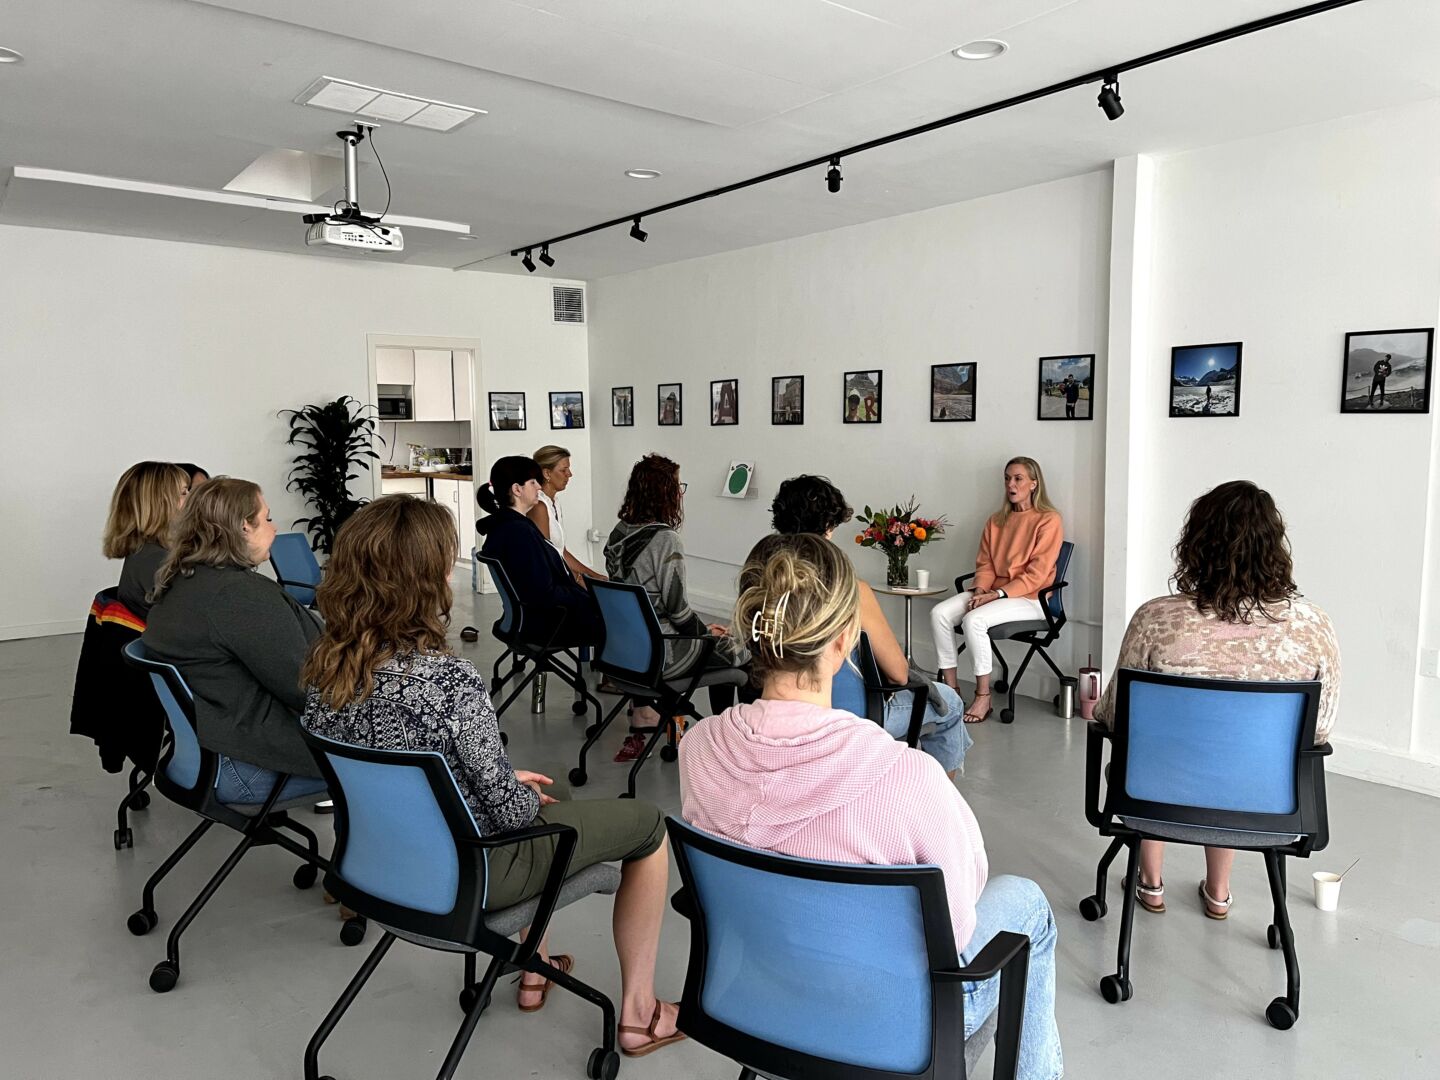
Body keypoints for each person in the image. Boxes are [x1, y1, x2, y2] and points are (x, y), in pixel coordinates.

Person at [301, 497, 683, 1054]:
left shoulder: (324, 673)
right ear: (423, 582)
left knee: (546, 781)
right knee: (648, 824)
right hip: (471, 871)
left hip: (381, 865)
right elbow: (510, 815)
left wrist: (503, 782)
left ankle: (536, 966)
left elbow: (403, 772)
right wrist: (509, 789)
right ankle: (639, 1013)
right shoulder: (448, 681)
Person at [679, 536, 1062, 1079]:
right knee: (1028, 905)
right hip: (888, 1026)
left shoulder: (698, 749)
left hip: (758, 1003)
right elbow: (957, 924)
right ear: (845, 640)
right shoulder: (905, 778)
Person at [1095, 480, 1340, 919]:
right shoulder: (1312, 627)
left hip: (1155, 796)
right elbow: (1320, 728)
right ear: (1274, 547)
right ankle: (1218, 892)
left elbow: (1113, 716)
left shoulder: (1156, 619)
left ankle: (1150, 884)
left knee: (1150, 752)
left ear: (1195, 544)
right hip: (1263, 803)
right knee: (1232, 759)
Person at [751, 474, 970, 776]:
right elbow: (898, 673)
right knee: (951, 704)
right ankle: (938, 798)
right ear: (829, 527)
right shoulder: (851, 589)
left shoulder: (760, 580)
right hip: (848, 716)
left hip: (770, 710)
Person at [142, 478, 327, 804]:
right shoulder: (238, 596)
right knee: (403, 760)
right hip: (246, 768)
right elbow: (309, 690)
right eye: (267, 519)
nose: (274, 528)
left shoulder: (181, 582)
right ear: (244, 527)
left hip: (206, 754)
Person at [605, 454, 749, 757]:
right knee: (740, 650)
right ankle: (732, 740)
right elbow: (677, 610)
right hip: (663, 653)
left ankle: (650, 718)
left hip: (625, 652)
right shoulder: (665, 539)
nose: (681, 494)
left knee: (715, 640)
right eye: (677, 487)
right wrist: (706, 634)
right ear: (665, 493)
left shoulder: (619, 532)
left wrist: (702, 630)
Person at [929, 457, 1063, 724]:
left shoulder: (1049, 520)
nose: (1010, 484)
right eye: (1007, 478)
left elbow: (1037, 574)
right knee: (939, 613)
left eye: (1018, 479)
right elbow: (986, 563)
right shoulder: (996, 521)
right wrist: (980, 590)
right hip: (993, 592)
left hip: (1031, 598)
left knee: (974, 620)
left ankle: (983, 696)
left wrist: (996, 595)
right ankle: (952, 692)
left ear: (1033, 484)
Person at [477, 456, 601, 647]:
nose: (539, 487)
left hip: (532, 620)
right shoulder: (519, 533)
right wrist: (588, 595)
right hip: (546, 624)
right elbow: (543, 593)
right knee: (618, 617)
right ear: (517, 489)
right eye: (533, 482)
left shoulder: (506, 525)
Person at [102, 461, 191, 619]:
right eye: (184, 493)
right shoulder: (156, 560)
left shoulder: (145, 552)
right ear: (158, 504)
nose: (193, 498)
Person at [528, 445, 605, 583]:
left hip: (560, 577)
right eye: (564, 470)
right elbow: (546, 558)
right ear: (547, 474)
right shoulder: (539, 506)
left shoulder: (554, 502)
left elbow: (561, 552)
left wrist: (594, 576)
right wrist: (578, 579)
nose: (569, 474)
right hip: (549, 583)